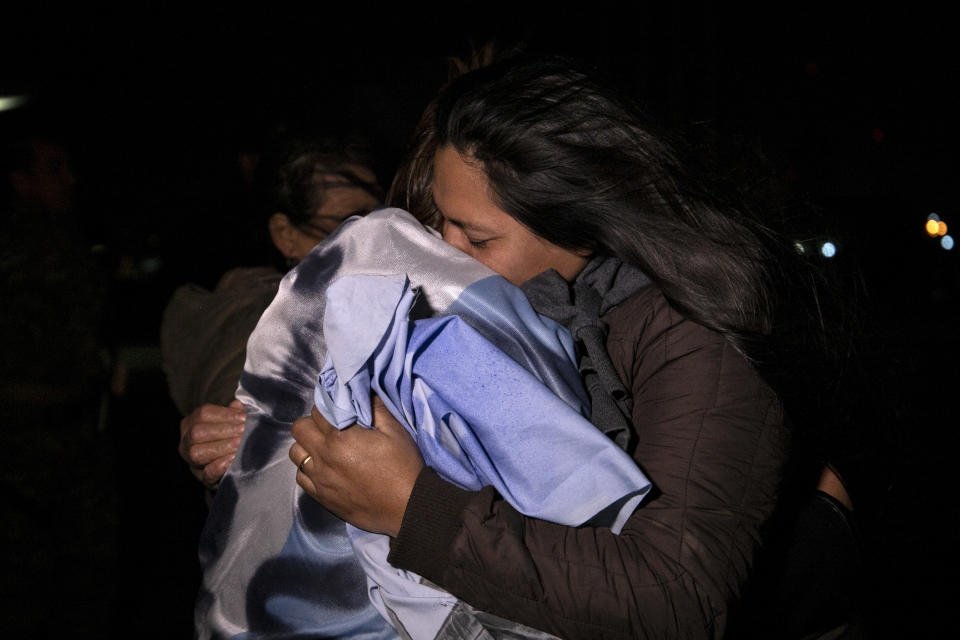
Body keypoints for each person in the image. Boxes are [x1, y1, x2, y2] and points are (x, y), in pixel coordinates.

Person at [288, 55, 851, 639]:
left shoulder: (698, 335)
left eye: (477, 238)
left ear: (582, 224)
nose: (444, 252)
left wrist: (414, 511)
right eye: (440, 224)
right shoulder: (519, 307)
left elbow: (676, 598)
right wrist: (277, 440)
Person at [161, 140, 383, 492]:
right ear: (286, 235)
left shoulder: (364, 304)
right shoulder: (265, 317)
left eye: (381, 216)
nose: (379, 239)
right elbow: (241, 401)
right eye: (347, 223)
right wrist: (227, 440)